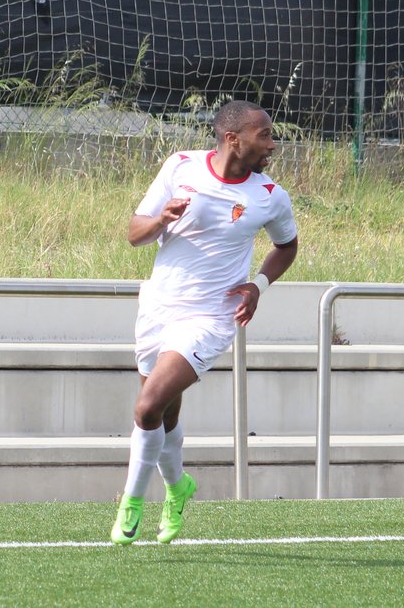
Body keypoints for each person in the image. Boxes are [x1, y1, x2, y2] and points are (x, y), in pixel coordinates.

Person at [111, 100, 299, 545]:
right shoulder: (181, 166)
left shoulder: (270, 196)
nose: (273, 145)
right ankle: (178, 487)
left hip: (210, 317)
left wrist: (259, 285)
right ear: (233, 138)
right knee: (165, 412)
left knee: (147, 407)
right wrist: (161, 219)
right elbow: (135, 233)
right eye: (264, 135)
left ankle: (130, 504)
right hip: (158, 307)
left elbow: (287, 246)